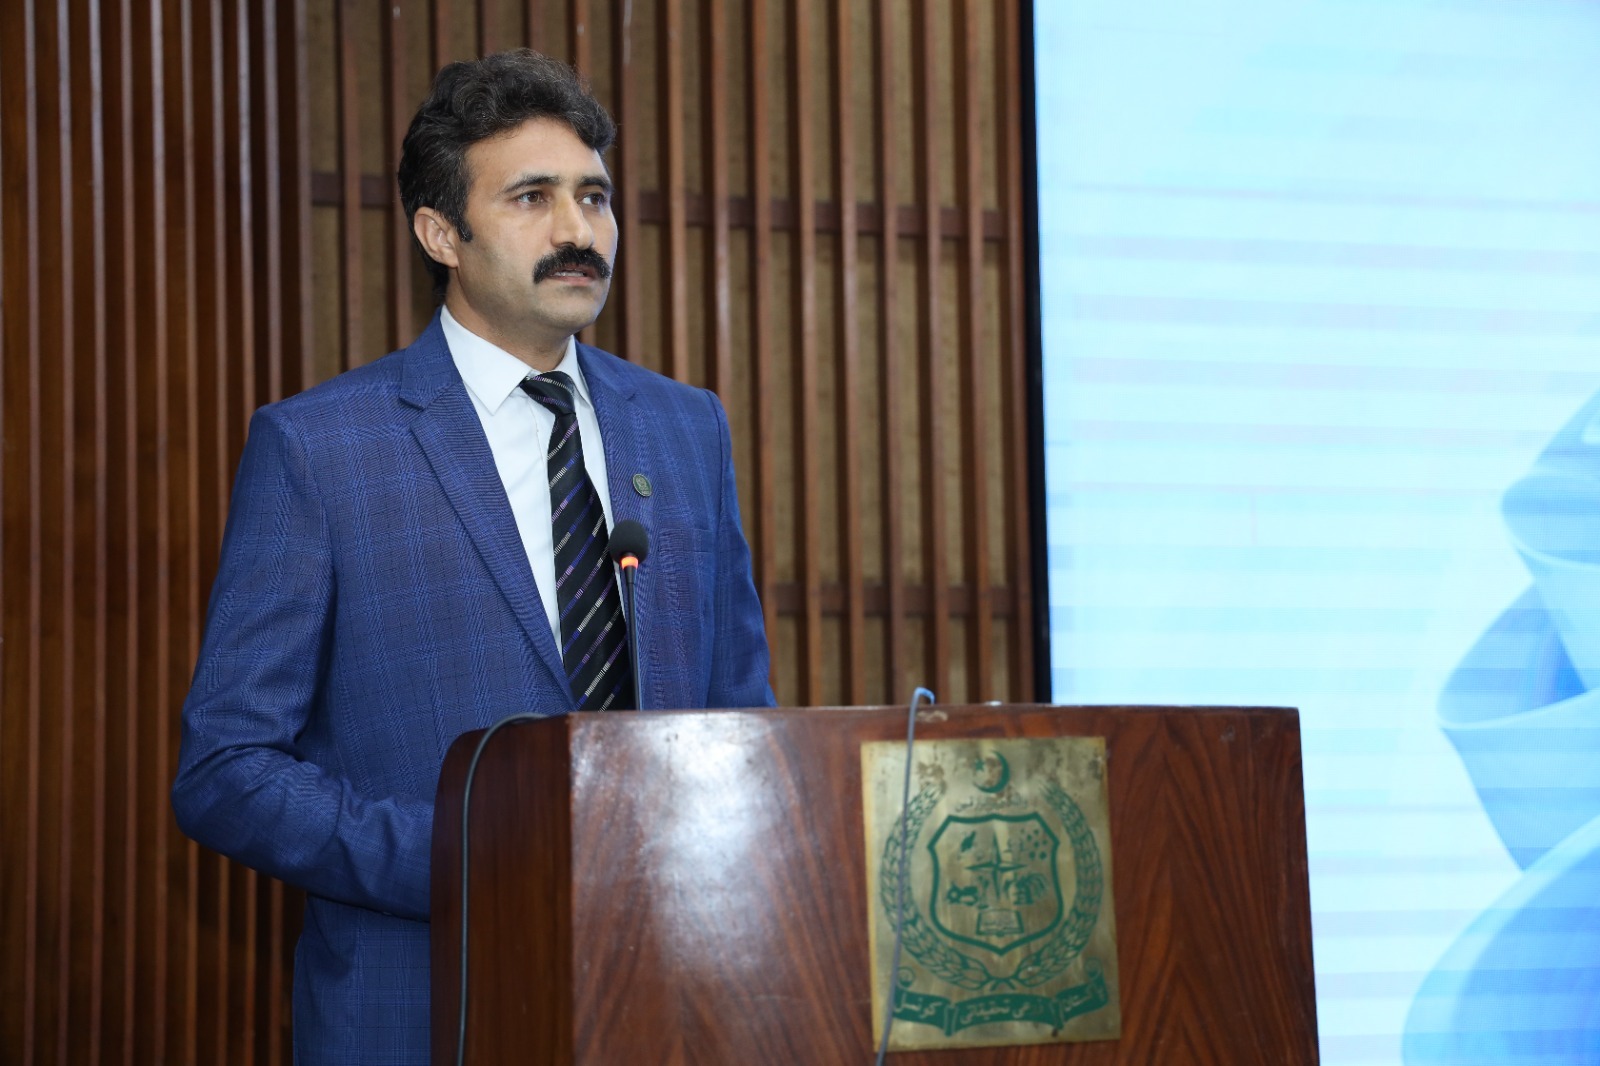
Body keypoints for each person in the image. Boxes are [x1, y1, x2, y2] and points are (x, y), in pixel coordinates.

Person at [171, 49, 773, 1065]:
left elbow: (739, 719)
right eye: (532, 198)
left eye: (593, 197)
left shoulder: (684, 427)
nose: (579, 231)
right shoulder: (321, 448)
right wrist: (471, 859)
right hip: (423, 1007)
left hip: (669, 1005)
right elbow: (227, 770)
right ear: (441, 233)